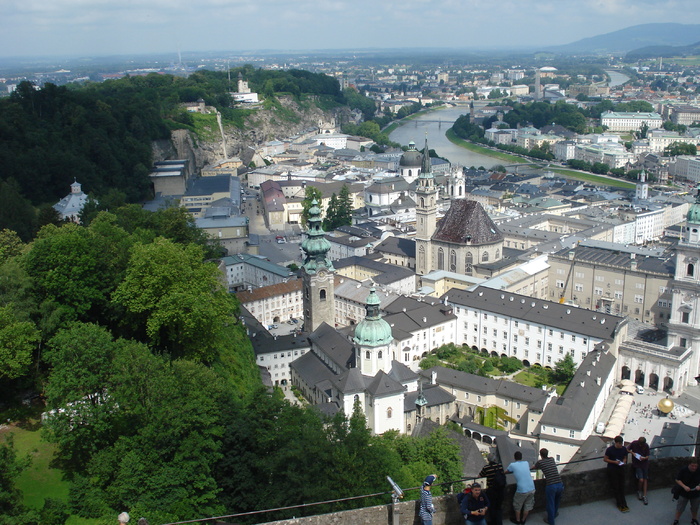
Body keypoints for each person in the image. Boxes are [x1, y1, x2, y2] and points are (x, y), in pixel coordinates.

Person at [534, 448, 563, 525]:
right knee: (557, 501)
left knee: (550, 503)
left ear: (540, 455)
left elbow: (534, 467)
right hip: (560, 483)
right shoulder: (552, 459)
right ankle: (555, 514)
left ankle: (551, 521)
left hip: (551, 485)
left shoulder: (540, 462)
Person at [506, 451, 535, 525]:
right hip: (532, 487)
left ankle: (518, 521)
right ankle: (523, 520)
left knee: (517, 505)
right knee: (527, 505)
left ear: (514, 457)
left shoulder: (512, 465)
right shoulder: (526, 463)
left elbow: (506, 471)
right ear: (521, 457)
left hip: (522, 489)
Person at [603, 435, 629, 512]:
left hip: (621, 469)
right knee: (616, 487)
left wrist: (624, 461)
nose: (621, 445)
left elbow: (625, 457)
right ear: (616, 443)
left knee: (621, 486)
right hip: (612, 469)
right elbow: (605, 459)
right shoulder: (610, 450)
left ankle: (624, 504)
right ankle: (619, 504)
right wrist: (614, 462)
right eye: (620, 444)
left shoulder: (624, 449)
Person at [479, 452, 506, 525]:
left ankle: (493, 522)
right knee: (499, 507)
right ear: (494, 459)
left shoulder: (486, 468)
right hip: (500, 490)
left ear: (488, 460)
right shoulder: (500, 466)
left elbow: (479, 476)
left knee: (492, 508)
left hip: (492, 490)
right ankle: (499, 523)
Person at [673, 458, 700, 525]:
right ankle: (676, 520)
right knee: (680, 507)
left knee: (695, 507)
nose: (694, 468)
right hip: (684, 492)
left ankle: (694, 519)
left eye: (695, 466)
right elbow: (677, 479)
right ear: (689, 465)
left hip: (695, 492)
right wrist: (684, 486)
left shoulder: (699, 470)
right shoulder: (683, 470)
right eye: (692, 466)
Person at [627, 436, 650, 504]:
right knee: (641, 479)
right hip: (637, 464)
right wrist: (633, 453)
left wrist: (644, 458)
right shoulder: (634, 443)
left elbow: (647, 455)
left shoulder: (646, 446)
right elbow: (627, 449)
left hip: (644, 464)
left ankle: (645, 495)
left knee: (645, 479)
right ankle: (639, 491)